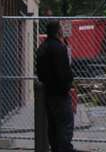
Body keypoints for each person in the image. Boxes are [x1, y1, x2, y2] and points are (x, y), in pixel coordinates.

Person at [36, 21, 75, 152]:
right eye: (61, 29)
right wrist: (67, 85)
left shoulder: (43, 47)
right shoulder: (59, 48)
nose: (63, 31)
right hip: (60, 93)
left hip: (48, 91)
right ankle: (64, 148)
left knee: (53, 124)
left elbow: (40, 72)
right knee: (65, 123)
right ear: (58, 31)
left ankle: (55, 148)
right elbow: (63, 71)